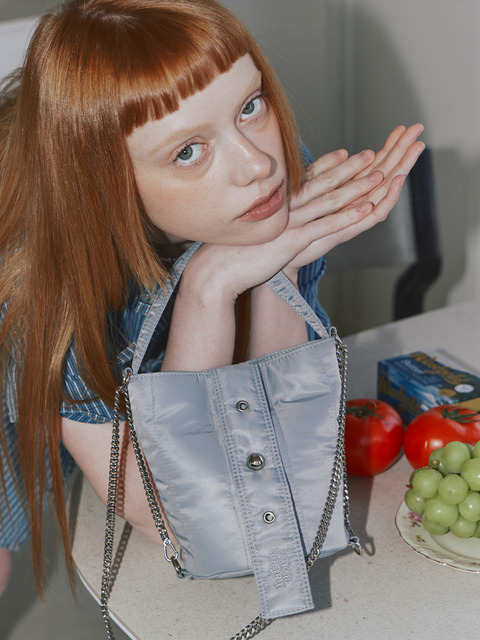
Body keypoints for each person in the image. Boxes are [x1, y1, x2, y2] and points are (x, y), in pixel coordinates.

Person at [0, 0, 424, 597]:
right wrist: (206, 290)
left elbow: (270, 441)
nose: (258, 163)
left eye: (249, 105)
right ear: (105, 185)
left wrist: (273, 272)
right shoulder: (42, 285)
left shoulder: (260, 186)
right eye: (187, 151)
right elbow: (165, 514)